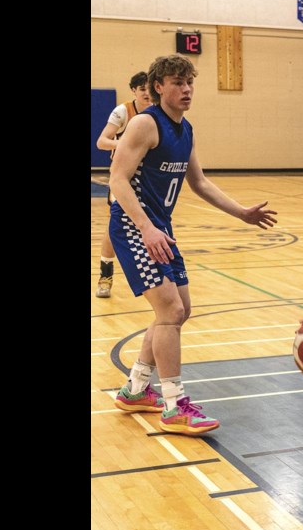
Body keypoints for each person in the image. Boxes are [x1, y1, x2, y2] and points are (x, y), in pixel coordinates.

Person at [108, 55, 277, 433]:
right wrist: (146, 228)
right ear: (158, 87)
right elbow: (117, 179)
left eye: (189, 83)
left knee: (180, 309)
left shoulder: (185, 129)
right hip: (136, 228)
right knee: (169, 311)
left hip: (160, 228)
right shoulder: (144, 124)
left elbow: (199, 183)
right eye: (177, 82)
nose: (186, 90)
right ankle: (174, 405)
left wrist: (241, 213)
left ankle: (135, 389)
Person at [94, 71, 152, 298]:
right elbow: (102, 141)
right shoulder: (123, 111)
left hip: (149, 179)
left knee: (152, 224)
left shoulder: (159, 112)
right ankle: (105, 275)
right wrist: (123, 144)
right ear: (134, 91)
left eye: (150, 88)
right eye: (142, 89)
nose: (147, 93)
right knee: (114, 226)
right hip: (124, 177)